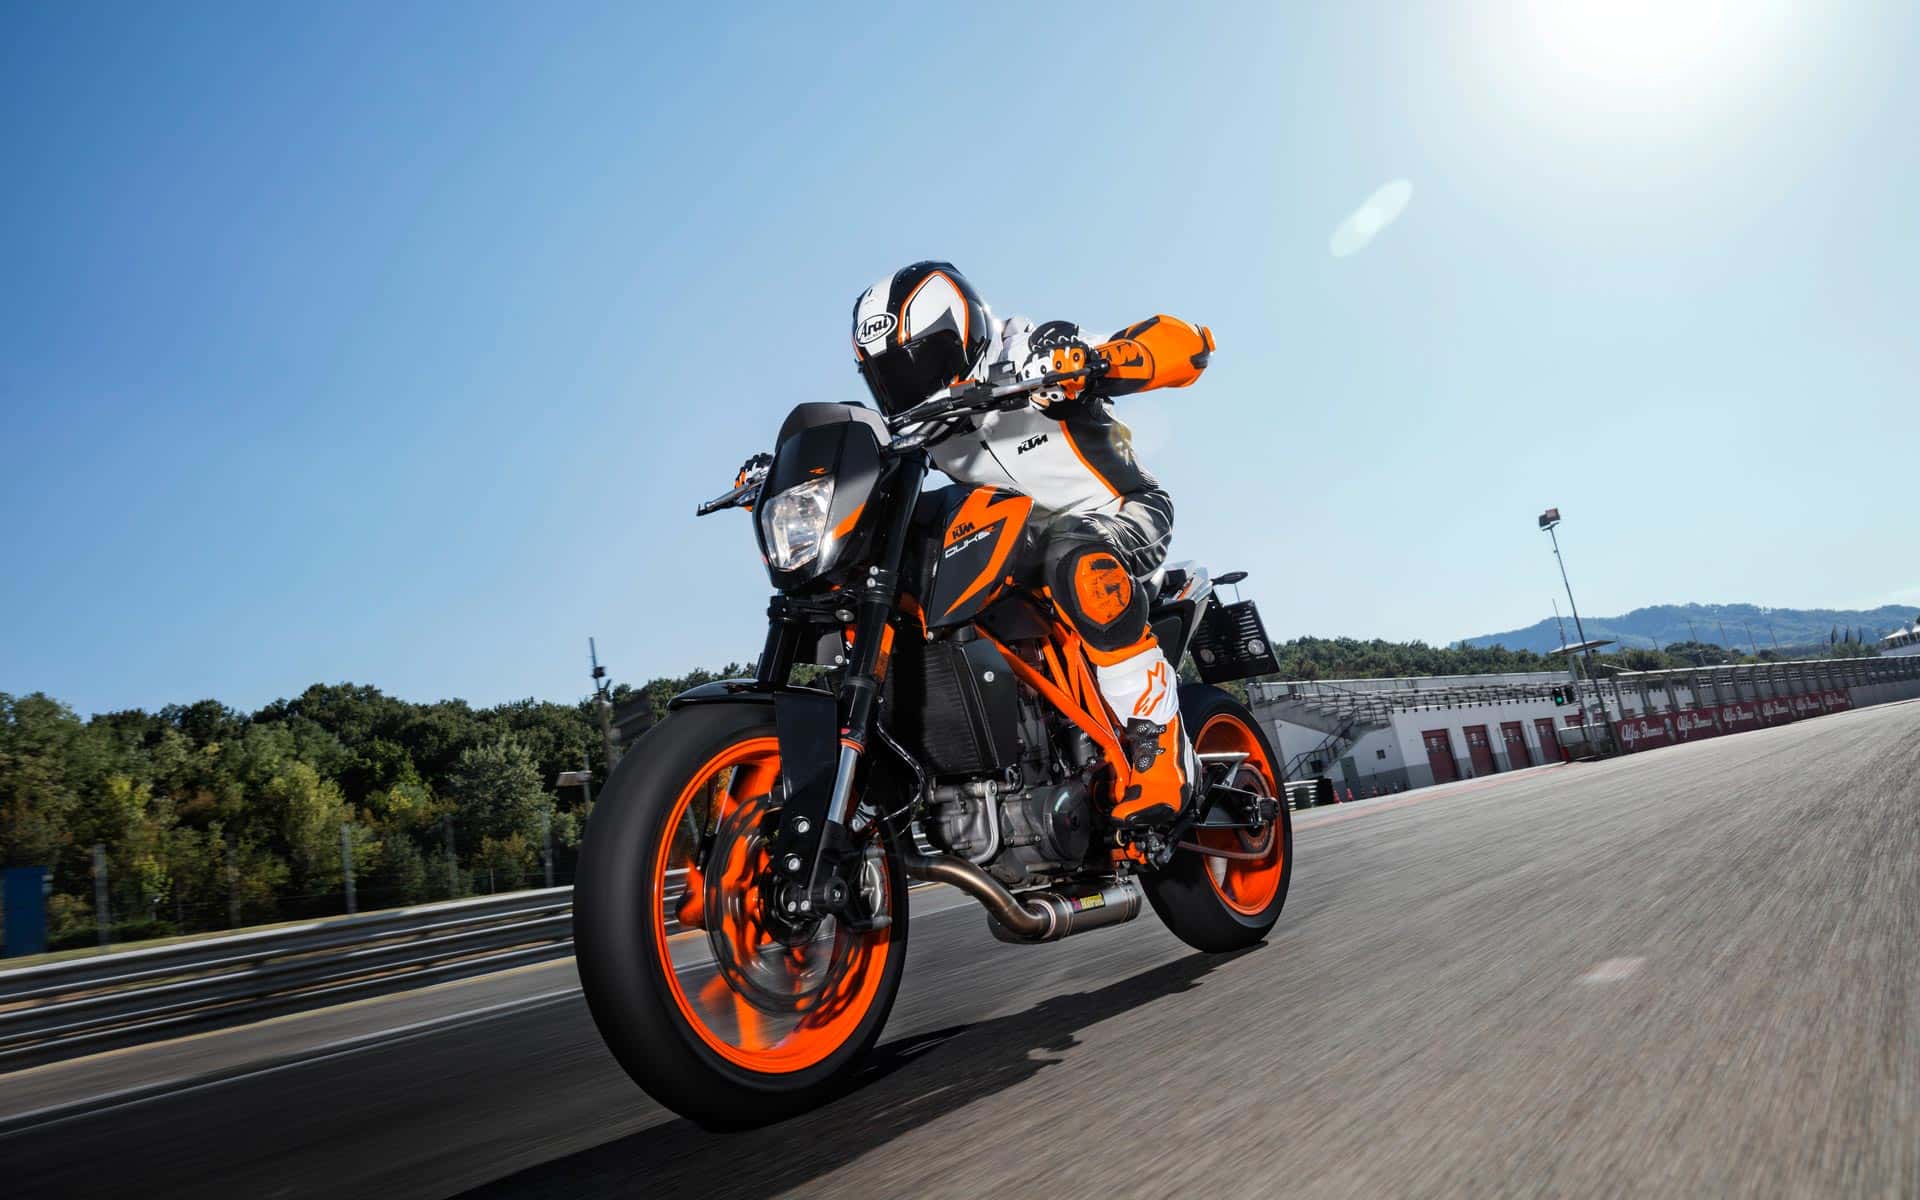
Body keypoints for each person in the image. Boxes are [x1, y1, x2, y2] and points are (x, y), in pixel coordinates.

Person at [850, 261, 1215, 828]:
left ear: (967, 333)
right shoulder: (919, 426)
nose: (912, 385)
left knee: (1073, 554)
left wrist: (1098, 360)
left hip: (1120, 511)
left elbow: (1188, 347)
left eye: (922, 360)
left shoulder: (1034, 351)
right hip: (1014, 540)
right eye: (891, 375)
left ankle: (1158, 738)